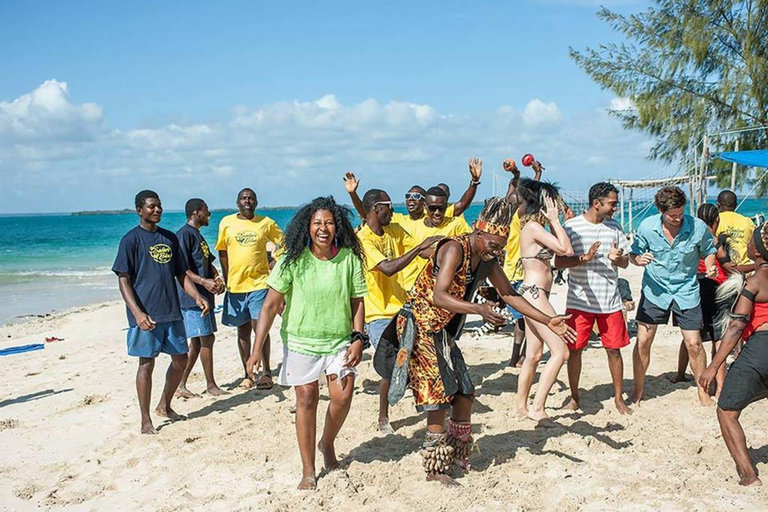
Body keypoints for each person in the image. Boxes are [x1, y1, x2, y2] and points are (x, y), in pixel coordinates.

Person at [374, 197, 576, 486]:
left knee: (465, 393)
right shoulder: (454, 248)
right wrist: (480, 309)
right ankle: (435, 468)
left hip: (442, 328)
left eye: (501, 246)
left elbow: (509, 293)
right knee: (439, 396)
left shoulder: (486, 258)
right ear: (478, 232)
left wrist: (548, 320)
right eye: (493, 245)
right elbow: (439, 295)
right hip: (420, 325)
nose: (497, 251)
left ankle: (457, 453)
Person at [244, 196, 367, 490]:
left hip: (339, 341)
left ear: (337, 226)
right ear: (307, 227)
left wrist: (358, 338)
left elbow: (357, 302)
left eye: (329, 223)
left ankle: (326, 442)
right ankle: (308, 469)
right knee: (307, 399)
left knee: (342, 395)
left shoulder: (349, 258)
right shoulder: (291, 259)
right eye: (317, 223)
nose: (323, 228)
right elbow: (270, 306)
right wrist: (255, 351)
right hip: (301, 341)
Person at [112, 190, 210, 434]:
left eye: (159, 206)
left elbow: (181, 274)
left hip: (172, 311)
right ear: (139, 210)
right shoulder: (131, 240)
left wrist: (197, 296)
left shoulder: (169, 238)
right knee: (146, 364)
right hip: (147, 315)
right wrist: (137, 313)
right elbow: (123, 280)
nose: (157, 210)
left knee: (180, 358)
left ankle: (164, 405)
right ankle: (145, 419)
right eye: (151, 206)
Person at [357, 189, 441, 433]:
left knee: (419, 355)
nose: (393, 210)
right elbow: (388, 268)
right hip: (377, 313)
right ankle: (383, 417)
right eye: (389, 206)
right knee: (391, 364)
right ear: (376, 209)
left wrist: (446, 252)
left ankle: (421, 399)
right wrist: (418, 250)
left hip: (402, 306)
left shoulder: (393, 229)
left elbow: (422, 250)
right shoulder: (364, 239)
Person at [629, 186, 718, 406]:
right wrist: (637, 260)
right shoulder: (647, 227)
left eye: (680, 213)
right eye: (672, 215)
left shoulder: (697, 227)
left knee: (694, 343)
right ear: (660, 210)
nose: (677, 219)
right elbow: (634, 252)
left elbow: (709, 250)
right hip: (654, 291)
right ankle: (638, 391)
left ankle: (702, 392)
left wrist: (710, 267)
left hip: (686, 290)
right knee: (643, 342)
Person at [554, 182, 633, 415]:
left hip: (609, 300)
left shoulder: (614, 227)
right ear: (596, 203)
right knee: (575, 350)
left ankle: (619, 399)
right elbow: (558, 262)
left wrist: (617, 258)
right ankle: (575, 397)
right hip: (580, 301)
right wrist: (583, 258)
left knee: (614, 350)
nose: (614, 208)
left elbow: (626, 262)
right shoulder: (571, 227)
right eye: (612, 204)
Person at [699, 222, 768, 487]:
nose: (747, 244)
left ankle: (749, 476)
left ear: (759, 252)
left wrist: (713, 367)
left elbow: (737, 325)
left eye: (751, 241)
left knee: (727, 411)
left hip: (760, 349)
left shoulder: (755, 282)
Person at [514, 178, 575, 427]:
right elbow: (565, 250)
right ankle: (538, 408)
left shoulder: (535, 228)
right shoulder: (534, 228)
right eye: (553, 202)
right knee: (561, 352)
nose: (558, 206)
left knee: (534, 354)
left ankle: (521, 406)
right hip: (534, 293)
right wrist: (554, 220)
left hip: (535, 292)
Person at [216, 188, 284, 389]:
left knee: (260, 329)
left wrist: (275, 262)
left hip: (259, 284)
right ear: (237, 202)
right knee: (243, 332)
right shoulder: (226, 223)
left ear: (256, 202)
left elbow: (285, 241)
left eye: (251, 198)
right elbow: (222, 252)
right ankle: (248, 374)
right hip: (235, 287)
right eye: (244, 198)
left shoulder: (266, 223)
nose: (247, 201)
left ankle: (266, 372)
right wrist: (227, 278)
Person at [672, 203, 732, 395]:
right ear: (717, 220)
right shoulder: (713, 240)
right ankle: (720, 387)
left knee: (690, 335)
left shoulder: (689, 235)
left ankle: (680, 374)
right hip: (715, 287)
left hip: (692, 287)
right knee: (719, 338)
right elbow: (727, 265)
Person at [175, 198, 228, 398]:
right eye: (206, 211)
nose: (209, 214)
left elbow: (208, 262)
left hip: (205, 297)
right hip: (192, 298)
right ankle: (211, 385)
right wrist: (203, 282)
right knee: (206, 338)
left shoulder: (197, 236)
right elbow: (182, 269)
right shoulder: (184, 235)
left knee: (198, 342)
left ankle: (180, 385)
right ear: (197, 212)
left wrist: (216, 277)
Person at [501, 158, 544, 368]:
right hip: (514, 272)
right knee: (523, 319)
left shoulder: (516, 215)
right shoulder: (511, 215)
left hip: (520, 272)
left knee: (524, 318)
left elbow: (527, 195)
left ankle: (518, 357)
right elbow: (518, 194)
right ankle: (518, 357)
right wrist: (528, 176)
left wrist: (528, 176)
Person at [399, 185, 472, 290]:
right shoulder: (413, 227)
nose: (437, 212)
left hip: (450, 289)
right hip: (423, 288)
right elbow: (420, 252)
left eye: (441, 208)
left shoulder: (457, 224)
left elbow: (470, 248)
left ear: (446, 206)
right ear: (425, 206)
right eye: (432, 208)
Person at [716, 190, 755, 268]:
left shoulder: (715, 221)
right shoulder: (747, 221)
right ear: (736, 205)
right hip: (745, 267)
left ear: (718, 204)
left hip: (723, 267)